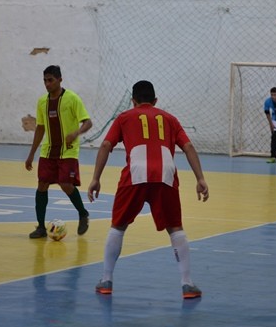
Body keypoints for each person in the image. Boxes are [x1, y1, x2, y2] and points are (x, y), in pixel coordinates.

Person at [87, 80, 209, 299]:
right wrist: (200, 178)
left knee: (118, 226)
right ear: (155, 101)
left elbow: (105, 145)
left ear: (133, 101)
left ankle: (106, 280)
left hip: (135, 174)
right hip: (166, 174)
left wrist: (96, 178)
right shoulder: (170, 119)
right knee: (175, 228)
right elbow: (188, 146)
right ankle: (187, 284)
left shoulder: (124, 117)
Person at [25, 65, 93, 238]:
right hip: (48, 151)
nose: (47, 84)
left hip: (68, 151)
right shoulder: (42, 102)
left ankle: (83, 213)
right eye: (45, 81)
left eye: (50, 80)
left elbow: (87, 122)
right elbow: (40, 128)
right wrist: (31, 153)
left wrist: (76, 133)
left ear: (60, 80)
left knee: (66, 184)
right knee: (42, 185)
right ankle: (40, 227)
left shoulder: (72, 99)